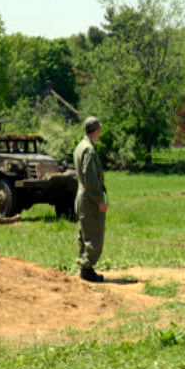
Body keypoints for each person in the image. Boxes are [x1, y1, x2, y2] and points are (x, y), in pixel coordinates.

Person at [73, 116, 107, 282]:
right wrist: (99, 200)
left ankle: (84, 266)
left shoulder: (80, 147)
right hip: (89, 199)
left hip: (81, 196)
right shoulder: (89, 150)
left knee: (84, 232)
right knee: (93, 233)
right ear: (97, 130)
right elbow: (91, 179)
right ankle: (87, 269)